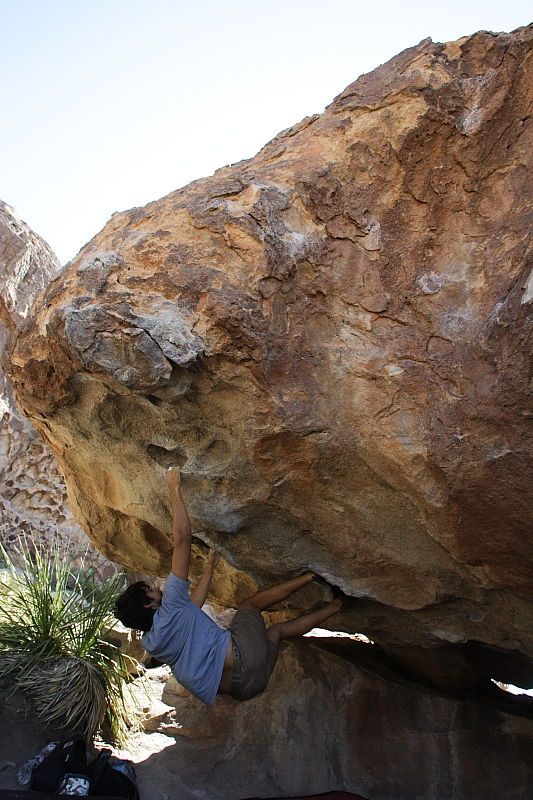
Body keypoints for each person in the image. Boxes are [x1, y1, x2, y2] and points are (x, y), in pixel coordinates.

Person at [114, 467, 342, 704]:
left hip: (248, 688)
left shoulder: (154, 644)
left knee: (277, 632)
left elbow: (193, 607)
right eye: (150, 589)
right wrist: (174, 488)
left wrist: (210, 567)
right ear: (150, 604)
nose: (156, 587)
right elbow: (182, 539)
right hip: (246, 657)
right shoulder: (171, 604)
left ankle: (336, 606)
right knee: (250, 605)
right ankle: (309, 578)